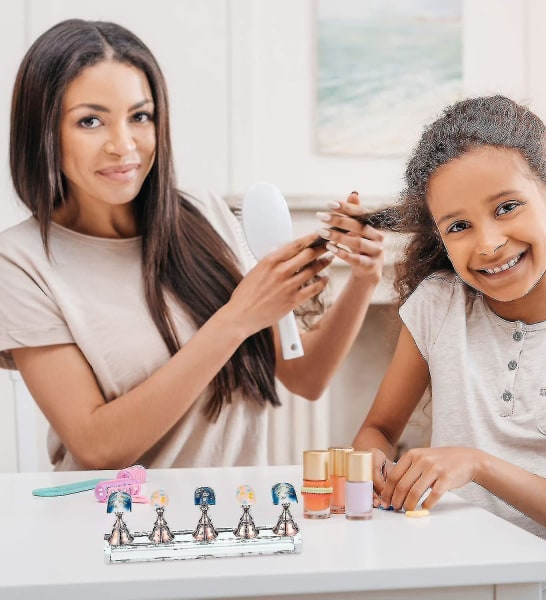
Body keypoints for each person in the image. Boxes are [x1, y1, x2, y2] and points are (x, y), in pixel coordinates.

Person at [0, 19, 384, 471]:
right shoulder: (20, 263)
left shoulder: (202, 214)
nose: (123, 145)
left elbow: (306, 376)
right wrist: (237, 319)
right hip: (111, 528)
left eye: (140, 116)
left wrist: (363, 277)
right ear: (43, 131)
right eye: (90, 121)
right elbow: (97, 447)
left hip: (235, 523)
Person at [350, 95, 546, 599]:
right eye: (459, 226)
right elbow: (377, 429)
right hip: (448, 583)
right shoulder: (439, 306)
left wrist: (479, 465)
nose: (487, 244)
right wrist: (373, 467)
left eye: (507, 208)